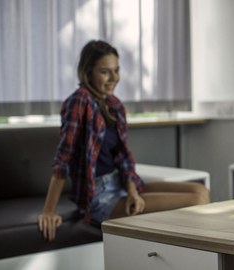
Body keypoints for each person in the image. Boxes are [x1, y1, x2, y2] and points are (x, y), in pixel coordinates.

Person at [38, 40, 209, 241]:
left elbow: (123, 156)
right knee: (195, 201)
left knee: (201, 190)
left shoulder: (114, 105)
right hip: (99, 196)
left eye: (116, 70)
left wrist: (132, 192)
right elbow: (63, 158)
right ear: (88, 72)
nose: (114, 78)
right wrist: (49, 210)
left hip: (121, 183)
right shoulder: (79, 101)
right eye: (105, 72)